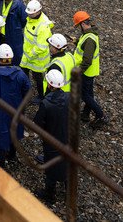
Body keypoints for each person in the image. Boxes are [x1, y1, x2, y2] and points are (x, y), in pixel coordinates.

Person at [0, 44, 31, 166]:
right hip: (16, 109)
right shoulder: (20, 74)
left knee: (0, 134)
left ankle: (0, 162)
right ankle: (12, 155)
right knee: (14, 130)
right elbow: (28, 90)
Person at [34, 69, 69, 203]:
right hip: (67, 137)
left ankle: (49, 195)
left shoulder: (46, 103)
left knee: (50, 167)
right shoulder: (69, 97)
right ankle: (68, 191)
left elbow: (37, 123)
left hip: (51, 140)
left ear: (49, 84)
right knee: (67, 162)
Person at [73, 11, 108, 129]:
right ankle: (86, 114)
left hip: (86, 72)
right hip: (90, 71)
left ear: (83, 24)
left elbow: (87, 60)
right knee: (89, 93)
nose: (78, 28)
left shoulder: (89, 40)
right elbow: (84, 46)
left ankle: (101, 115)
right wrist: (76, 42)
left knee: (85, 95)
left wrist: (78, 72)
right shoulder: (90, 34)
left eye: (78, 25)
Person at [21, 0, 54, 98]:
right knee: (24, 72)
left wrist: (30, 54)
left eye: (31, 13)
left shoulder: (43, 27)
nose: (28, 15)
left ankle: (41, 96)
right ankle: (26, 91)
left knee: (38, 78)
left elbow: (41, 47)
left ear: (38, 12)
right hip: (28, 54)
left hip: (37, 59)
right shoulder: (32, 19)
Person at [0, 0, 27, 67]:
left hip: (14, 34)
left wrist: (16, 28)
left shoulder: (19, 5)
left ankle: (14, 69)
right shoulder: (1, 1)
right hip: (2, 33)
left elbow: (24, 20)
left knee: (16, 54)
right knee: (3, 53)